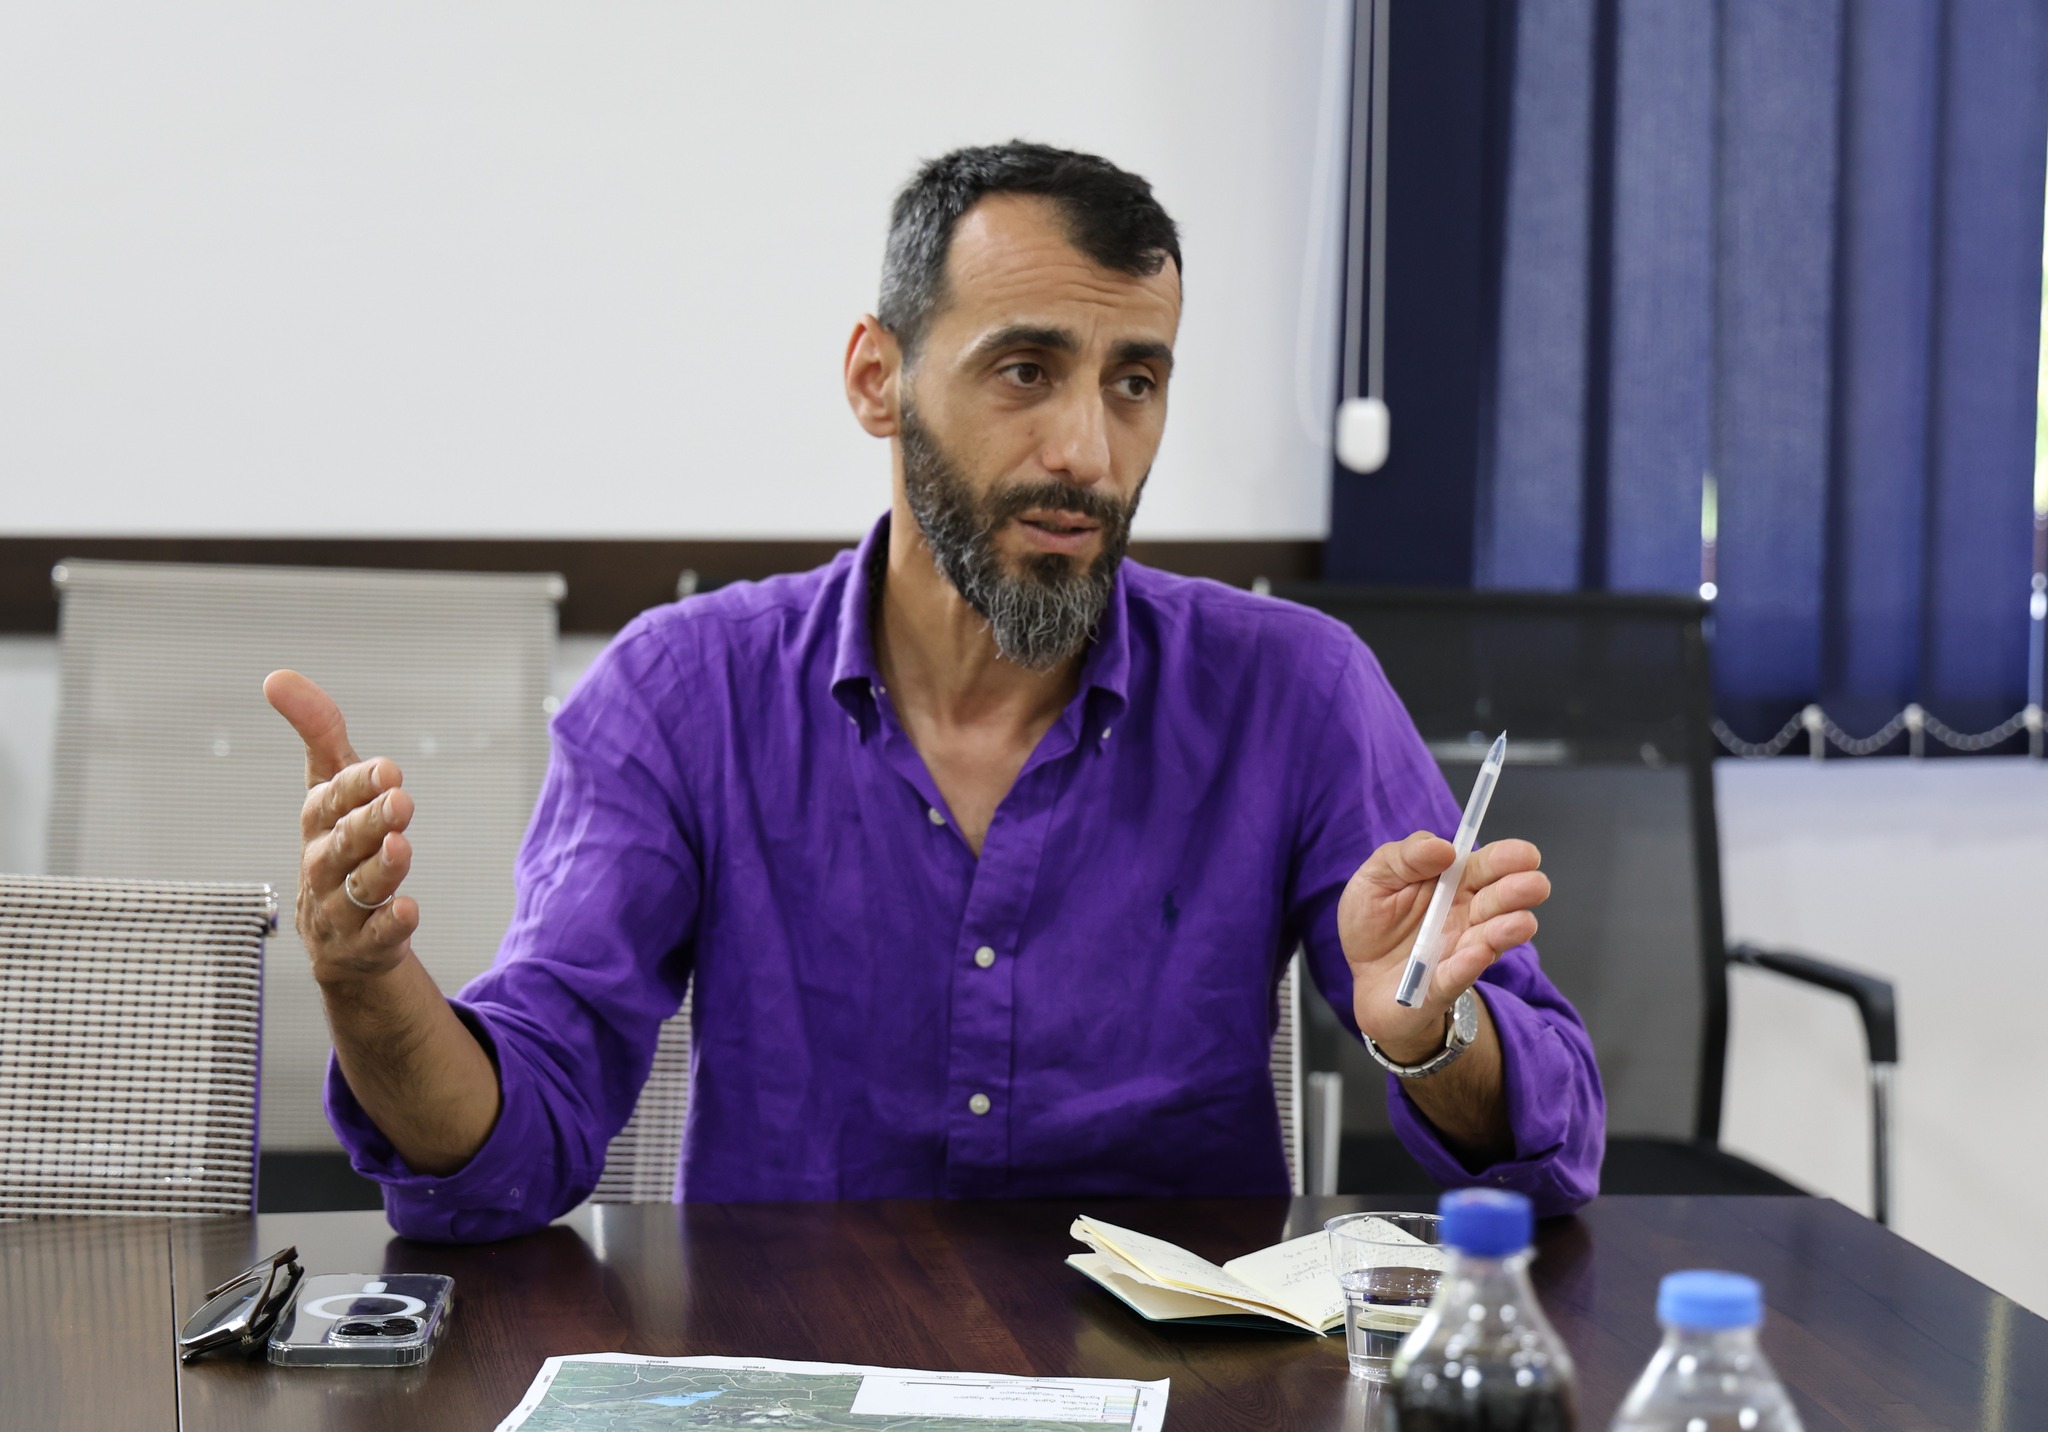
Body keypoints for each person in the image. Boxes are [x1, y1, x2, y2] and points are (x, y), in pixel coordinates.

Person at [265, 142, 1603, 1242]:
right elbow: (507, 1156)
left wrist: (1433, 1034)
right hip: (795, 1376)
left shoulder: (1295, 690)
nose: (1087, 450)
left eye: (1135, 383)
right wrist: (370, 986)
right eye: (1026, 371)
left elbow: (1554, 1148)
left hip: (1176, 1388)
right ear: (877, 379)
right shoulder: (681, 694)